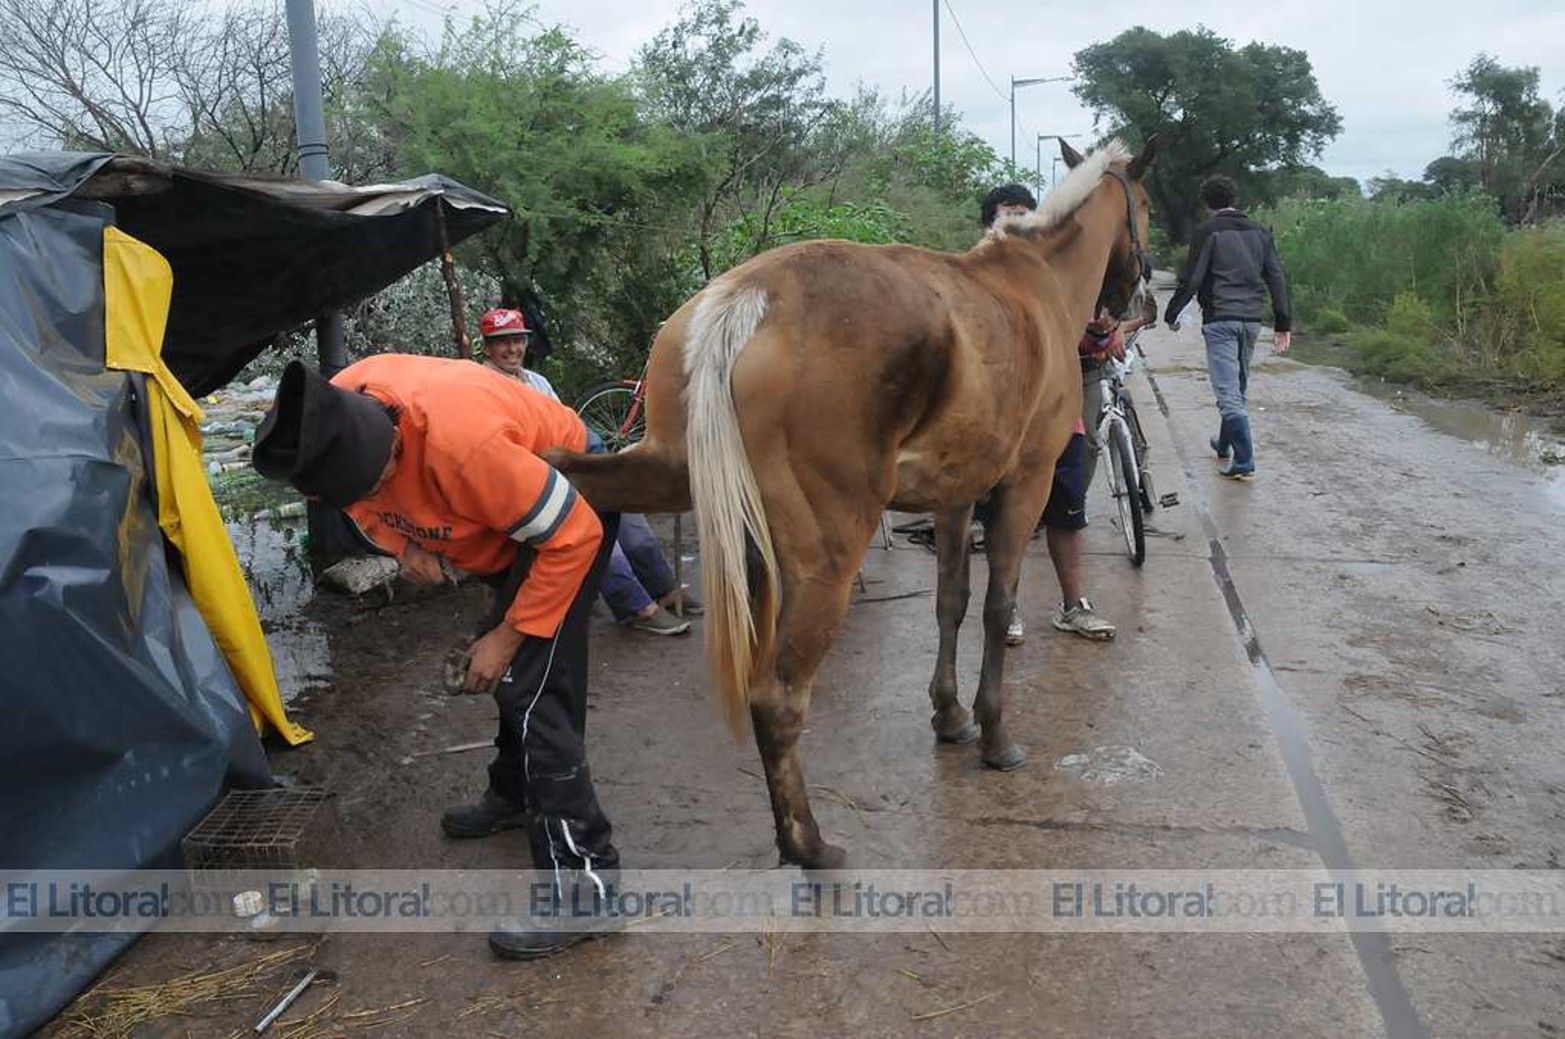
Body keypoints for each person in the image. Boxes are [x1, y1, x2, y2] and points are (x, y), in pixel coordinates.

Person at [253, 355, 621, 959]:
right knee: (512, 673)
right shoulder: (325, 417)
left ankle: (589, 887)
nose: (374, 496)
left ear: (396, 443)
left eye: (381, 483)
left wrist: (506, 635)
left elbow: (571, 534)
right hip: (509, 511)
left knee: (533, 689)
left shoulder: (465, 447)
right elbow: (355, 499)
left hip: (570, 493)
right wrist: (404, 543)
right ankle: (515, 794)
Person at [479, 308, 699, 635]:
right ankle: (636, 605)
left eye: (517, 340)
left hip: (569, 461)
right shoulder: (485, 385)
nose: (512, 349)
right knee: (588, 529)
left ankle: (663, 588)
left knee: (628, 513)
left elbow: (565, 420)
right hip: (534, 477)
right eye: (502, 343)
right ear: (487, 348)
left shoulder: (535, 380)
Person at [978, 184, 1117, 644]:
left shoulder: (1055, 280)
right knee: (1006, 518)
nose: (1018, 220)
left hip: (1060, 420)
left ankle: (1074, 605)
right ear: (989, 223)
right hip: (1002, 426)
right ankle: (1006, 608)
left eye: (1025, 213)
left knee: (1067, 515)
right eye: (1008, 213)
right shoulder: (972, 278)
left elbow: (1093, 346)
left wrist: (1098, 334)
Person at [1162, 175, 1292, 480]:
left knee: (1227, 391)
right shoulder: (1260, 232)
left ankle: (1245, 460)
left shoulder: (1208, 231)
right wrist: (1283, 323)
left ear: (1207, 202)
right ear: (1234, 198)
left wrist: (1172, 312)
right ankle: (1224, 444)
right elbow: (1276, 277)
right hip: (1251, 321)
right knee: (1238, 386)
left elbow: (1193, 278)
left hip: (1221, 319)